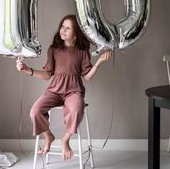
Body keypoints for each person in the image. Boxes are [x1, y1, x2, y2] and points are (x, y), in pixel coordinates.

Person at [16, 14, 112, 160]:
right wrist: (27, 70)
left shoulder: (82, 52)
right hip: (54, 91)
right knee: (35, 111)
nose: (63, 30)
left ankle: (65, 139)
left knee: (77, 108)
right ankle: (48, 137)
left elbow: (86, 77)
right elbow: (48, 74)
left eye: (68, 28)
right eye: (62, 26)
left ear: (76, 33)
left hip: (73, 92)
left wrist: (98, 63)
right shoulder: (53, 49)